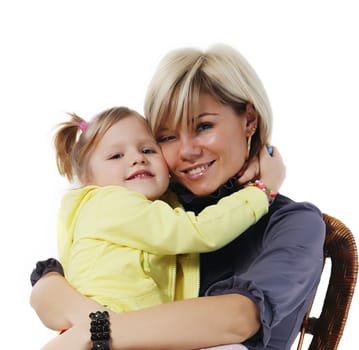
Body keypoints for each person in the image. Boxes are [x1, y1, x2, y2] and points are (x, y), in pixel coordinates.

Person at [30, 44, 325, 350]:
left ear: (249, 119)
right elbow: (51, 289)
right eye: (167, 137)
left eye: (204, 126)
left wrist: (95, 330)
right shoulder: (156, 206)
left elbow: (238, 318)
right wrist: (85, 318)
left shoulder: (293, 222)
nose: (186, 151)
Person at [52, 105, 282, 316]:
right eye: (116, 156)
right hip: (110, 331)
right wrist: (260, 192)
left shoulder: (152, 206)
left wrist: (248, 160)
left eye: (148, 150)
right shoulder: (108, 204)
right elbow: (196, 231)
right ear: (87, 180)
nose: (137, 159)